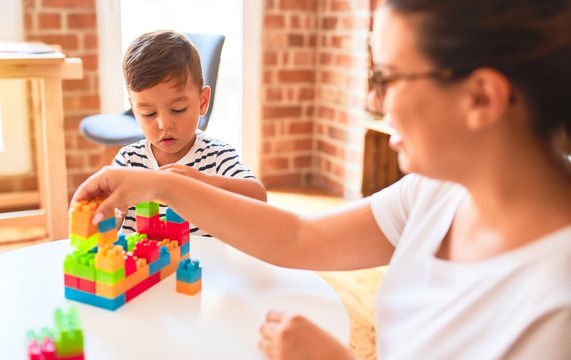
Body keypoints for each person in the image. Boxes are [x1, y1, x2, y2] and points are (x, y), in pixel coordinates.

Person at [72, 1, 571, 359]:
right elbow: (298, 236)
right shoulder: (439, 190)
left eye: (388, 77)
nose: (374, 102)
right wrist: (161, 184)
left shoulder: (555, 310)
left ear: (481, 98)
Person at [113, 30, 266, 236]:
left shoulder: (216, 157)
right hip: (144, 266)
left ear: (202, 101)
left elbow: (258, 196)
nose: (164, 125)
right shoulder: (129, 161)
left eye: (178, 109)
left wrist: (202, 182)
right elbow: (104, 223)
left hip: (202, 265)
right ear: (134, 109)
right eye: (148, 113)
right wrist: (110, 213)